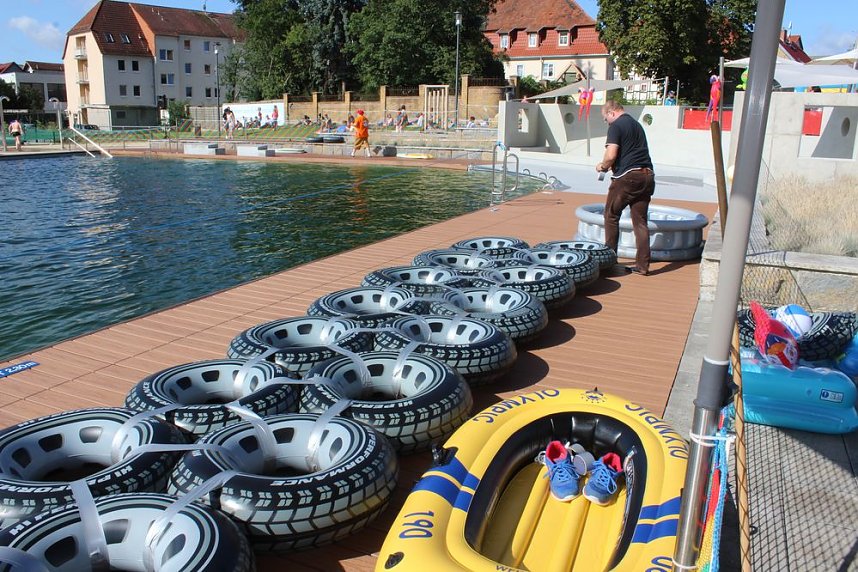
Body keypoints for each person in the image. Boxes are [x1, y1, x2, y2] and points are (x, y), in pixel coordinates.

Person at [596, 100, 655, 276]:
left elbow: (611, 154)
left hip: (627, 177)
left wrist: (602, 166)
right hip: (647, 176)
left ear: (611, 112)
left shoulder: (616, 126)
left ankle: (609, 261)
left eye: (605, 118)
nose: (606, 122)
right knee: (640, 222)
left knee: (611, 215)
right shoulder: (636, 125)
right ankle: (642, 266)